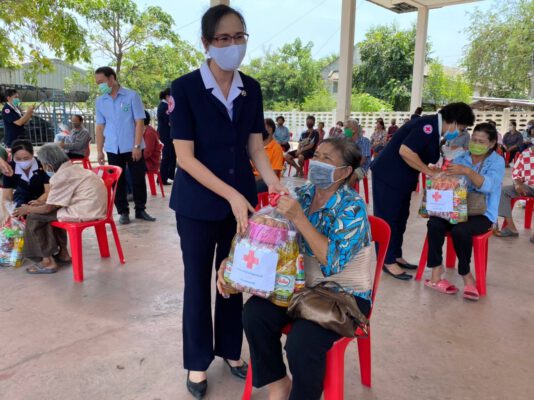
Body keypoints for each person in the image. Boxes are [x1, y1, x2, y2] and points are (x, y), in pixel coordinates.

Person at [168, 5, 286, 398]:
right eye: (224, 38)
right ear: (206, 42)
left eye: (239, 37)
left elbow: (255, 148)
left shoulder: (250, 88)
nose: (233, 45)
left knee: (238, 277)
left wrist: (275, 183)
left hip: (242, 204)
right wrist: (233, 194)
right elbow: (185, 158)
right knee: (198, 282)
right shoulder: (185, 88)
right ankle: (197, 361)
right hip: (198, 206)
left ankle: (231, 350)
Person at [217, 138, 372, 400]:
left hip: (341, 297)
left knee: (302, 343)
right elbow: (272, 238)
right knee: (254, 315)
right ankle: (279, 384)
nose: (317, 162)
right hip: (299, 286)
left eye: (327, 159)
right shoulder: (305, 193)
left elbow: (332, 261)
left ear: (345, 171)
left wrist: (298, 217)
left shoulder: (353, 207)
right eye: (317, 155)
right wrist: (233, 264)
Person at [371, 102, 475, 280]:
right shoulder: (428, 126)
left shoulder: (434, 129)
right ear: (454, 121)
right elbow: (406, 151)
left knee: (400, 218)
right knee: (388, 218)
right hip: (389, 176)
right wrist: (430, 172)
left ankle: (395, 255)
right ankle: (387, 260)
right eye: (461, 128)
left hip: (402, 178)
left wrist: (436, 169)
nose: (460, 133)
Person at [424, 123, 505, 300]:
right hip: (455, 207)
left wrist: (467, 171)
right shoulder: (461, 156)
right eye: (474, 140)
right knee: (434, 223)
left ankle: (466, 275)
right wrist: (440, 174)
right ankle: (436, 271)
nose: (475, 144)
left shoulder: (497, 161)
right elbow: (450, 181)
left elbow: (489, 187)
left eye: (481, 141)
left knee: (460, 230)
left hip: (481, 213)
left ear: (491, 143)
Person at [12, 144, 107, 274]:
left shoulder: (62, 176)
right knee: (48, 214)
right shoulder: (73, 168)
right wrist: (38, 204)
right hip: (93, 208)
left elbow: (47, 209)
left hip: (85, 212)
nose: (42, 168)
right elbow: (55, 203)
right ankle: (63, 253)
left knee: (34, 217)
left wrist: (27, 209)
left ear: (49, 166)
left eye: (43, 165)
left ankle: (47, 262)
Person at [94, 66, 155, 224]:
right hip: (112, 147)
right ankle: (123, 212)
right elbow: (100, 126)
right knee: (117, 181)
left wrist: (137, 146)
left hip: (132, 146)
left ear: (111, 78)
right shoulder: (100, 101)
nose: (99, 85)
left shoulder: (131, 96)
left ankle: (140, 209)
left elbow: (139, 122)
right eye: (97, 83)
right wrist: (99, 150)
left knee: (137, 179)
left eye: (101, 82)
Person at [497, 146, 534, 243]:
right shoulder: (526, 153)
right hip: (528, 186)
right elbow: (516, 172)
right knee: (504, 191)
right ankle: (511, 227)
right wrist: (518, 184)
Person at [2, 139, 50, 209]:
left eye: (26, 158)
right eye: (18, 159)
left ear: (32, 154)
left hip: (43, 198)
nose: (23, 161)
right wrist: (9, 209)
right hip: (21, 198)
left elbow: (48, 191)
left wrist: (38, 202)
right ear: (12, 156)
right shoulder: (9, 168)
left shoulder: (42, 164)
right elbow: (7, 198)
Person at [253, 118, 284, 193]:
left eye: (262, 126)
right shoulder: (256, 146)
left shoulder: (277, 148)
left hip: (268, 180)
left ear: (270, 129)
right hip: (254, 177)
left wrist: (256, 178)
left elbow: (274, 172)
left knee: (254, 188)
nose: (258, 130)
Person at [158, 88, 176, 185]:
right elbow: (170, 122)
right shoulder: (164, 107)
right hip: (166, 135)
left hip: (166, 134)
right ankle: (162, 178)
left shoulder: (165, 105)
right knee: (167, 156)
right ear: (167, 96)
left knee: (171, 155)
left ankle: (167, 176)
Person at [346, 118, 371, 185]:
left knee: (352, 176)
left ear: (354, 130)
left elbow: (363, 160)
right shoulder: (345, 141)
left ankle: (346, 190)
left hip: (361, 168)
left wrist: (349, 169)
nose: (345, 130)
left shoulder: (365, 141)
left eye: (347, 128)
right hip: (347, 166)